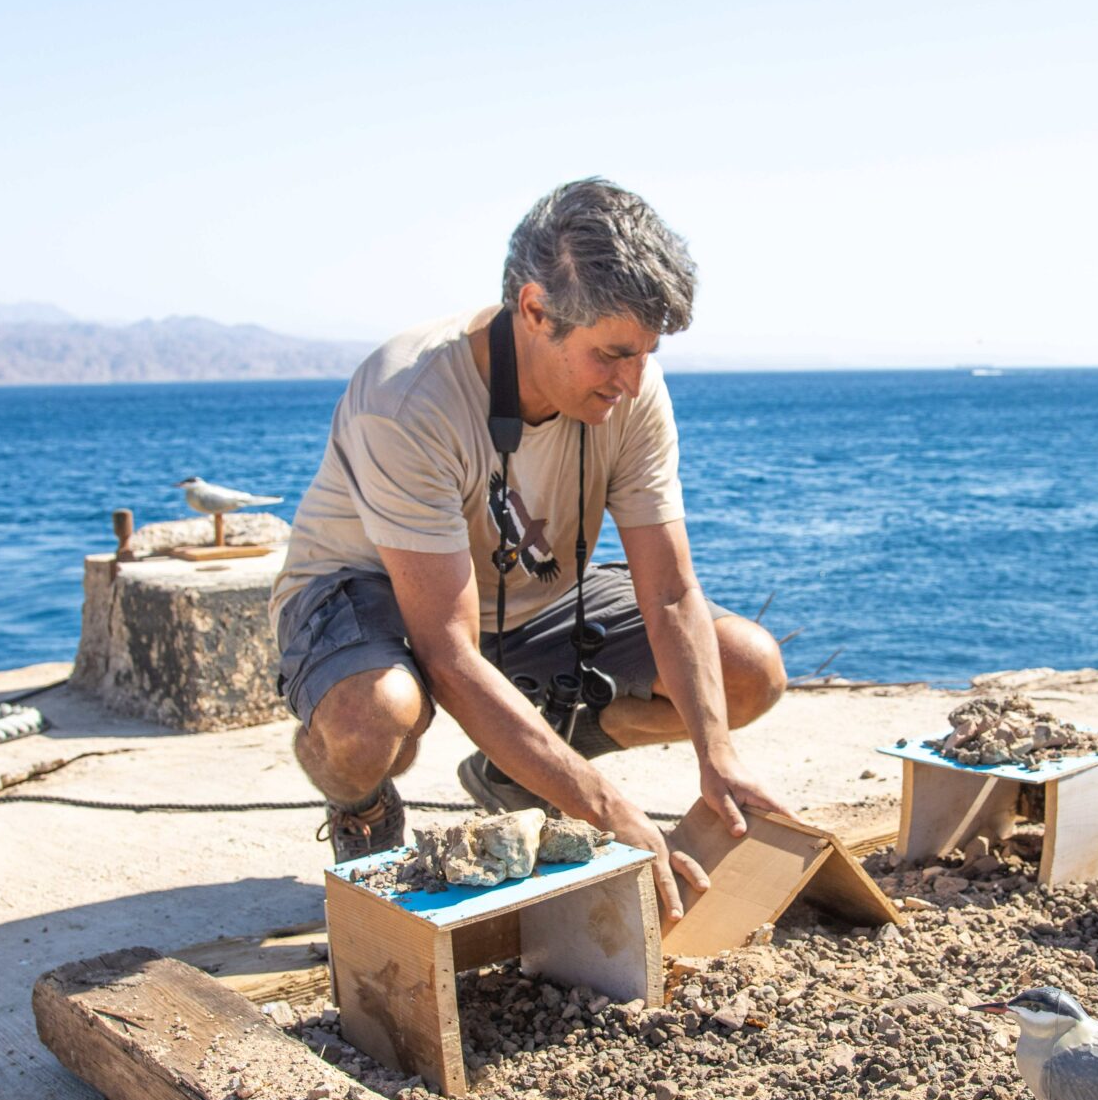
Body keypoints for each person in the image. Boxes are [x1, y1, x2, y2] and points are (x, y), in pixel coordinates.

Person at [271, 178, 792, 920]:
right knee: (371, 719)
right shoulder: (408, 397)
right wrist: (608, 810)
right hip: (373, 593)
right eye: (612, 355)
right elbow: (447, 655)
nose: (633, 380)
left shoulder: (634, 387)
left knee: (747, 669)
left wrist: (719, 760)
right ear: (535, 309)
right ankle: (357, 797)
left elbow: (672, 594)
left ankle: (516, 773)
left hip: (529, 604)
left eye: (646, 353)